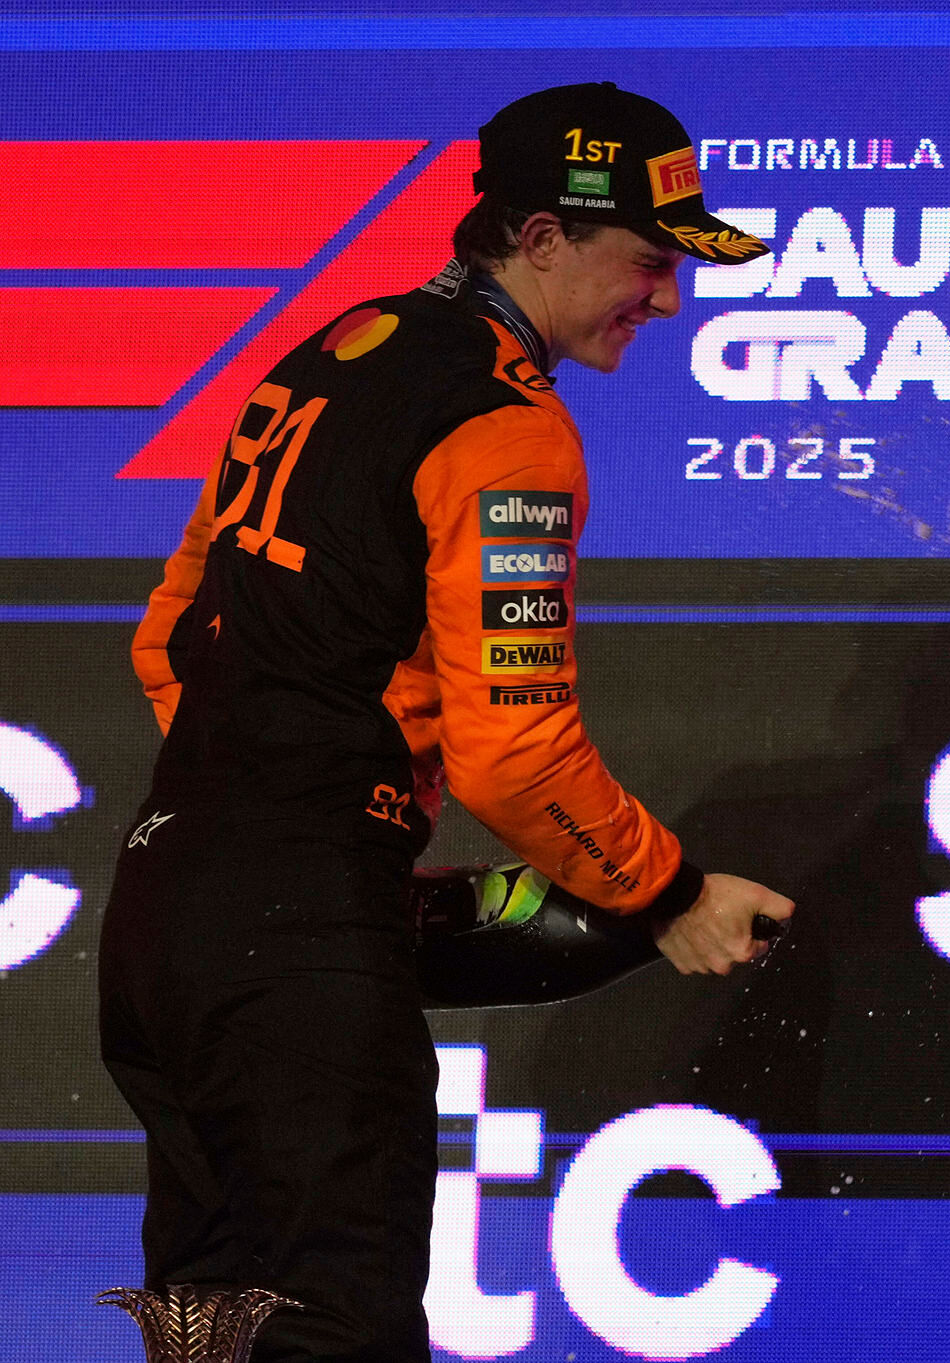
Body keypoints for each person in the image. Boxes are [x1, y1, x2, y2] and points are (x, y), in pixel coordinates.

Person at [98, 82, 792, 1363]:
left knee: (207, 1341)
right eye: (647, 261)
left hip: (160, 921)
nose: (668, 298)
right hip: (292, 948)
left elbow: (169, 632)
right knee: (332, 1337)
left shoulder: (330, 348)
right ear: (538, 239)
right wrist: (667, 886)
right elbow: (515, 748)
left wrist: (292, 817)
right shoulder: (503, 426)